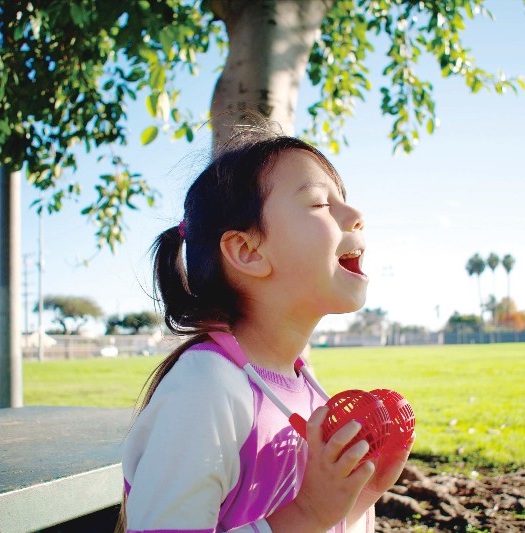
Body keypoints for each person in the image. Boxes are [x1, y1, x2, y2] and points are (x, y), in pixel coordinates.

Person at [121, 131, 413, 533]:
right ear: (248, 252)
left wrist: (356, 498)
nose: (355, 214)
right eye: (320, 203)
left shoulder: (302, 381)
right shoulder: (206, 389)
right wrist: (308, 512)